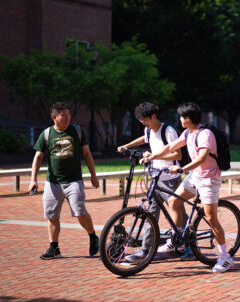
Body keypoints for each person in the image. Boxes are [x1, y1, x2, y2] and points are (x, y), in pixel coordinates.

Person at [140, 102, 234, 273]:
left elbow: (202, 158)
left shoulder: (205, 134)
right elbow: (170, 147)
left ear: (188, 119)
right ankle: (177, 238)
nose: (180, 119)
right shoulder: (187, 132)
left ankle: (225, 257)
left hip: (208, 180)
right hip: (195, 176)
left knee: (212, 219)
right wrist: (153, 156)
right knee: (174, 201)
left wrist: (182, 168)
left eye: (181, 117)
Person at [117, 102, 188, 262]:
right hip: (155, 177)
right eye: (141, 121)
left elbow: (178, 155)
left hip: (170, 178)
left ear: (154, 116)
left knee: (177, 211)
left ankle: (186, 242)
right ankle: (145, 250)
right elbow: (145, 138)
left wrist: (154, 156)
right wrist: (127, 145)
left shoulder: (168, 131)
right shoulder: (148, 129)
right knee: (150, 214)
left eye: (145, 120)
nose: (144, 123)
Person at [28, 102, 100, 260]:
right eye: (63, 115)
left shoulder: (77, 131)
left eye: (68, 115)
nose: (67, 118)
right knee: (52, 216)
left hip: (74, 181)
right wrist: (33, 179)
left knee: (80, 212)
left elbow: (87, 154)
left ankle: (93, 237)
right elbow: (38, 157)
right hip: (52, 182)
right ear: (54, 117)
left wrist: (93, 176)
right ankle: (54, 248)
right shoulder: (47, 134)